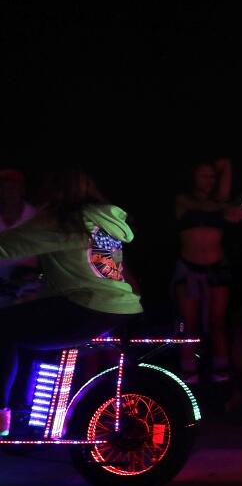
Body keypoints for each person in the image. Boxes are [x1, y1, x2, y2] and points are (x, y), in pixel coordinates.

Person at [0, 170, 142, 436]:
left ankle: (1, 417)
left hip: (85, 307)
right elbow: (89, 267)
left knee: (2, 330)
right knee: (25, 328)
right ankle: (25, 414)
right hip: (118, 308)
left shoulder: (62, 221)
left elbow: (7, 246)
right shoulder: (104, 220)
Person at [173, 158, 242, 382]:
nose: (208, 180)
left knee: (218, 322)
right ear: (192, 177)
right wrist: (228, 208)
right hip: (189, 268)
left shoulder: (219, 202)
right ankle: (189, 374)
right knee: (189, 323)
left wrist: (223, 169)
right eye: (203, 175)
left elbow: (226, 164)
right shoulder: (182, 200)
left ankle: (221, 374)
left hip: (216, 268)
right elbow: (206, 207)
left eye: (211, 177)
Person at [0, 168, 40, 306]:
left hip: (27, 293)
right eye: (5, 188)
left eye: (13, 187)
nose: (9, 192)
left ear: (22, 190)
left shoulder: (36, 217)